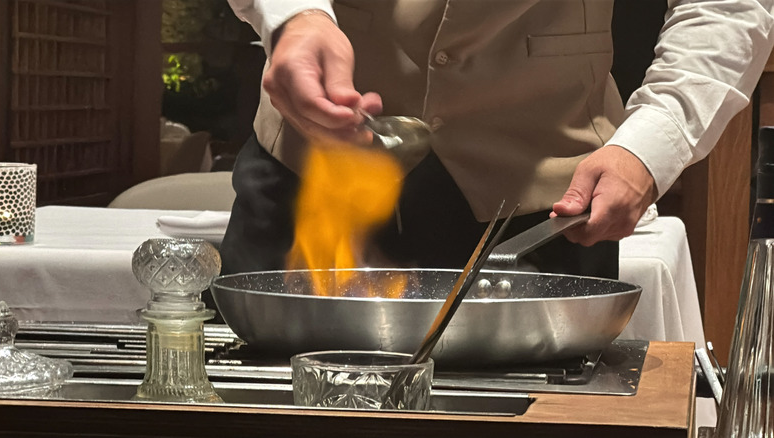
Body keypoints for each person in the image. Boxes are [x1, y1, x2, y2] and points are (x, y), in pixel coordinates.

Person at [221, 0, 774, 279]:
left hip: (543, 209)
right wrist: (294, 17)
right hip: (303, 176)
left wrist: (650, 143)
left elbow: (726, 6)